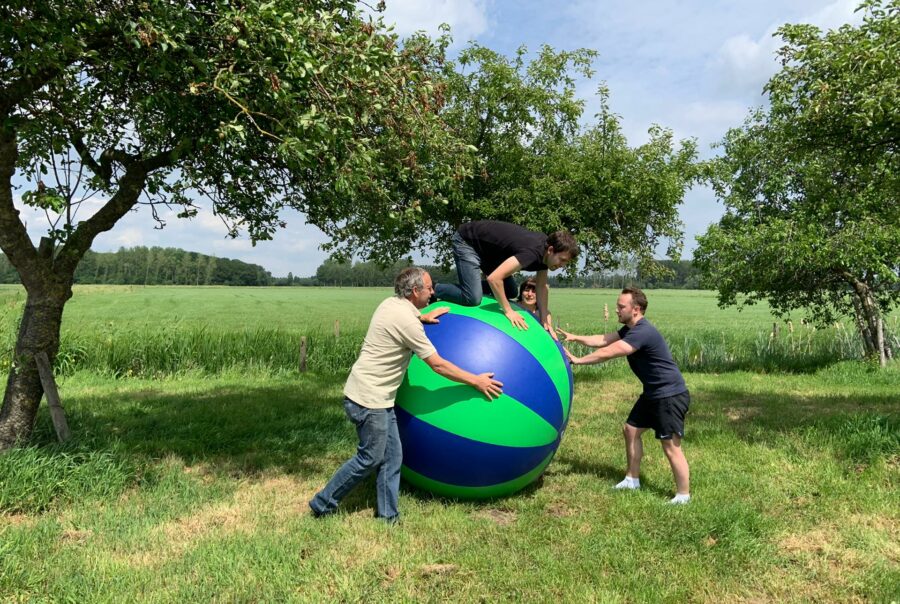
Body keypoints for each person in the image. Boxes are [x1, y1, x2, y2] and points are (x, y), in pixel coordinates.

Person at [309, 267, 504, 523]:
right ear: (414, 291)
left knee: (392, 458)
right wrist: (475, 380)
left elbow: (405, 320)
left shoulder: (391, 304)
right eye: (429, 288)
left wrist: (423, 316)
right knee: (370, 458)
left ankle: (388, 517)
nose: (433, 292)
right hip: (369, 400)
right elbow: (438, 365)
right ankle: (323, 503)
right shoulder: (408, 322)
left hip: (375, 397)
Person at [558, 287, 691, 504]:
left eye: (621, 306)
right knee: (631, 430)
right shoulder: (629, 329)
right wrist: (575, 338)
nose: (616, 310)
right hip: (653, 393)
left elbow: (610, 351)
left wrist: (579, 360)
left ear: (635, 309)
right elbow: (603, 340)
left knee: (670, 446)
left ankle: (683, 496)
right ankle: (632, 479)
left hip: (669, 395)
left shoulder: (642, 332)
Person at [434, 220, 578, 332]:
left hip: (491, 253)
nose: (562, 265)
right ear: (551, 250)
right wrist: (509, 311)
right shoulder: (532, 253)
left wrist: (544, 320)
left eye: (566, 262)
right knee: (472, 298)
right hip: (468, 241)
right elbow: (494, 279)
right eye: (562, 260)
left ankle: (472, 287)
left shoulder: (546, 255)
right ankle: (435, 289)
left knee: (511, 291)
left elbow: (541, 286)